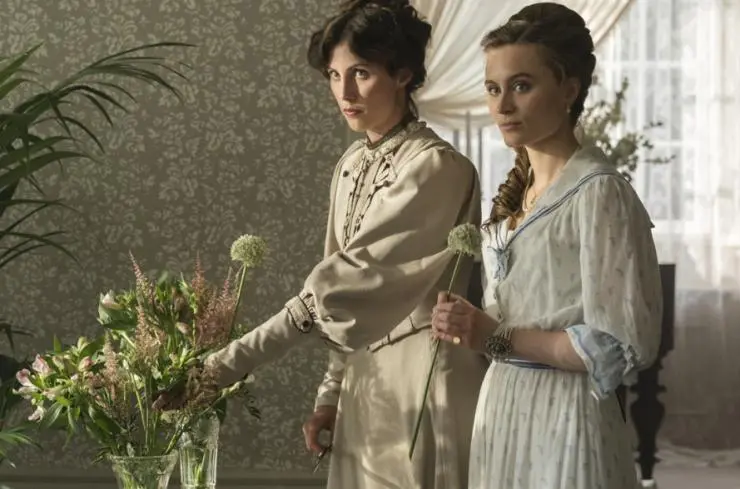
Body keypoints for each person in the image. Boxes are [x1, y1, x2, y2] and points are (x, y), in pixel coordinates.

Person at [159, 1, 487, 487]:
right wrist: (330, 396)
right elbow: (341, 290)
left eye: (361, 73)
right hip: (365, 384)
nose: (344, 93)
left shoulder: (436, 168)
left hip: (423, 380)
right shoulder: (351, 164)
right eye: (334, 75)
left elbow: (336, 292)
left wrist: (221, 367)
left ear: (403, 74)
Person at [430, 3, 663, 489]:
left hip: (566, 420)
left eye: (521, 86)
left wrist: (495, 336)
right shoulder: (517, 198)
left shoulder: (599, 193)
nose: (502, 106)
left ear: (569, 89)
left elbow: (614, 346)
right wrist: (467, 325)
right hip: (502, 410)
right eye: (493, 88)